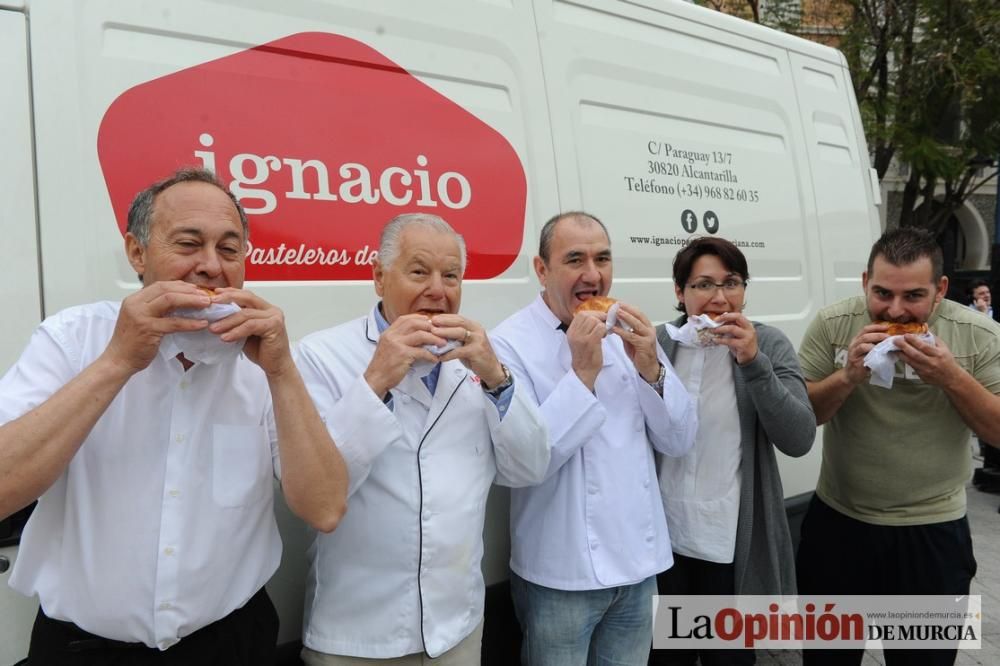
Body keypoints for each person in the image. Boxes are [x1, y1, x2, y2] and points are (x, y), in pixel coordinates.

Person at [0, 167, 348, 665]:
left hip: (233, 642)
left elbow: (326, 508)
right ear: (137, 253)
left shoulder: (263, 362)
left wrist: (283, 372)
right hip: (83, 649)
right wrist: (118, 362)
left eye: (229, 250)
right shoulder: (72, 340)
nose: (210, 265)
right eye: (188, 244)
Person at [294, 213, 550, 665]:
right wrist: (375, 381)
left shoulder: (479, 360)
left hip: (458, 629)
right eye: (419, 271)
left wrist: (497, 379)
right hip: (359, 636)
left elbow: (529, 466)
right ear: (379, 278)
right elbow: (319, 498)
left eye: (451, 275)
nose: (438, 289)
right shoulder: (320, 356)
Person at [490, 211, 698, 666]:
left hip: (639, 568)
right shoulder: (508, 344)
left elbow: (679, 439)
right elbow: (526, 462)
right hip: (559, 575)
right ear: (541, 270)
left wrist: (651, 368)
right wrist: (582, 370)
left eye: (602, 258)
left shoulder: (628, 327)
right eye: (575, 260)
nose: (592, 274)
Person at [796, 227, 1000, 666]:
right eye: (882, 292)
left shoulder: (978, 336)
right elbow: (803, 415)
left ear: (941, 289)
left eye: (913, 296)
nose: (895, 309)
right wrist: (848, 376)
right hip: (839, 525)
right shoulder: (834, 325)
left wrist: (951, 378)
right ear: (865, 280)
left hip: (933, 534)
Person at [650, 237, 815, 666]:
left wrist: (753, 361)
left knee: (729, 659)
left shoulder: (768, 344)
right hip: (663, 539)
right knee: (669, 658)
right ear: (679, 291)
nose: (720, 298)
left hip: (729, 541)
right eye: (703, 284)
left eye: (732, 283)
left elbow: (799, 439)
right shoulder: (658, 344)